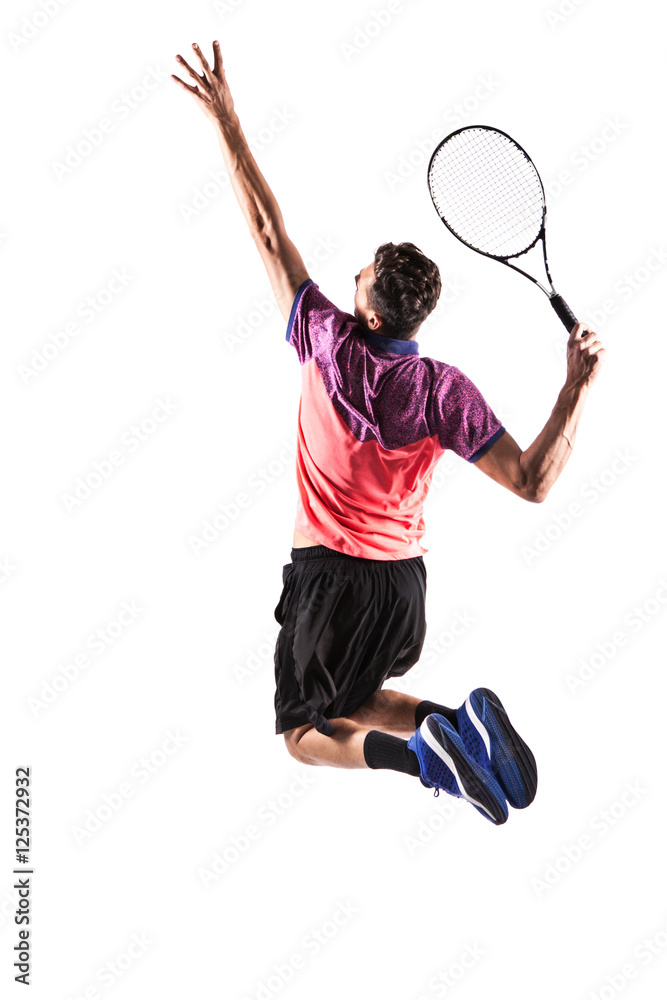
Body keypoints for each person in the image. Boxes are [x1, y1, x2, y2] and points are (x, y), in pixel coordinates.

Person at [172, 41, 606, 825]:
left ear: (370, 312)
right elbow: (535, 482)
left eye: (362, 274)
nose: (353, 274)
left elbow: (269, 234)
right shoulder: (443, 390)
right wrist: (573, 389)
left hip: (327, 575)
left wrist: (227, 122)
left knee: (304, 733)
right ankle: (456, 727)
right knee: (359, 694)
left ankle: (425, 760)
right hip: (402, 589)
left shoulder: (326, 340)